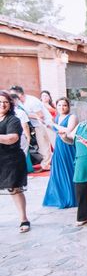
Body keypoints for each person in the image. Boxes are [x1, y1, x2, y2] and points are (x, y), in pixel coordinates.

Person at [43, 97, 87, 209]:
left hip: (68, 145)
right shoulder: (57, 117)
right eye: (59, 105)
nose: (62, 107)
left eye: (64, 105)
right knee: (59, 170)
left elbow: (68, 131)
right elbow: (55, 131)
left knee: (70, 170)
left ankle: (73, 196)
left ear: (68, 106)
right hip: (59, 145)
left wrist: (53, 125)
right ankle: (61, 196)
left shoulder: (72, 117)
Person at [0, 91, 30, 233]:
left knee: (14, 189)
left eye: (5, 102)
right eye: (0, 102)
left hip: (11, 160)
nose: (2, 104)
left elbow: (12, 138)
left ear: (10, 104)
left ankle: (24, 219)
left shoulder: (13, 119)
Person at [10, 85, 53, 170]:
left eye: (13, 94)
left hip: (44, 124)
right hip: (37, 125)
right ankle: (46, 164)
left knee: (46, 144)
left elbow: (40, 116)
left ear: (19, 94)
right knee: (43, 145)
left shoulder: (32, 101)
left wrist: (24, 115)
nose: (11, 97)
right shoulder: (20, 102)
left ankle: (47, 164)